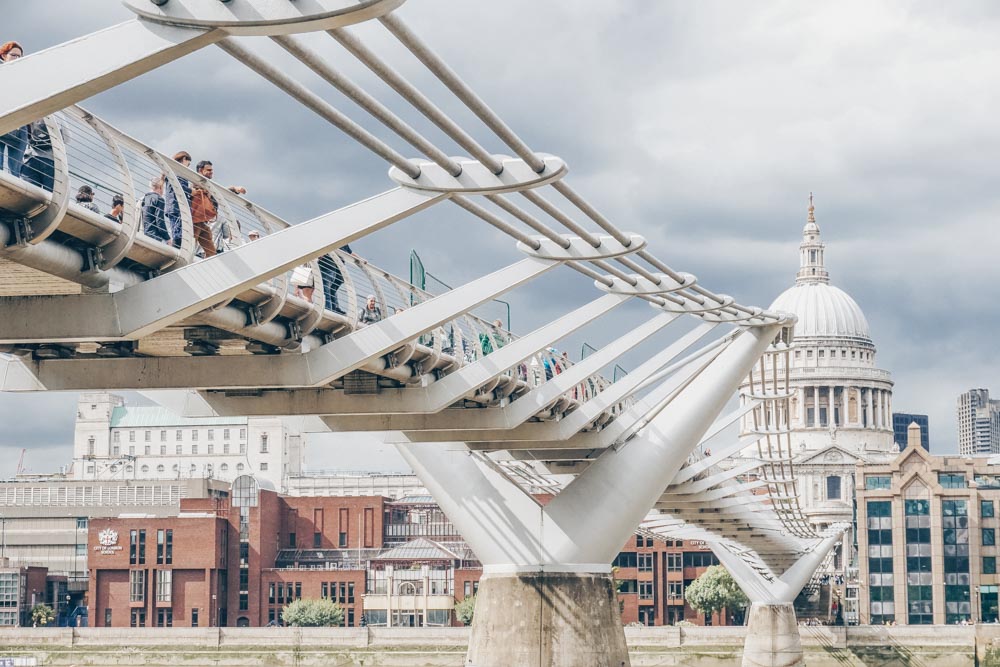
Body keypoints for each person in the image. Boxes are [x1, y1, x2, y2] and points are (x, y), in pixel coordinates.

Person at [0, 41, 29, 179]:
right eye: (13, 55)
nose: (17, 59)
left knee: (15, 170)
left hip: (19, 126)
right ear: (4, 56)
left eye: (19, 57)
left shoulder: (24, 76)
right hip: (2, 121)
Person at [190, 160, 220, 257]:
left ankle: (210, 266)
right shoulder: (195, 182)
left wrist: (234, 189)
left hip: (202, 221)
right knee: (190, 246)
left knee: (211, 251)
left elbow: (219, 194)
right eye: (208, 170)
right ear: (200, 170)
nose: (211, 172)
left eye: (212, 170)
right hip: (194, 221)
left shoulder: (207, 185)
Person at [164, 151, 192, 248]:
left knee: (177, 232)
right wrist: (191, 191)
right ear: (184, 159)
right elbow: (180, 187)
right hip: (177, 206)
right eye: (188, 164)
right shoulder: (178, 171)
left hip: (173, 205)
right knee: (179, 234)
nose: (188, 167)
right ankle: (177, 251)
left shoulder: (172, 170)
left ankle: (177, 250)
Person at [141, 176, 170, 243]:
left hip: (144, 235)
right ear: (160, 187)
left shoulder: (144, 199)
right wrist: (167, 238)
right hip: (156, 236)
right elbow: (160, 220)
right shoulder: (159, 199)